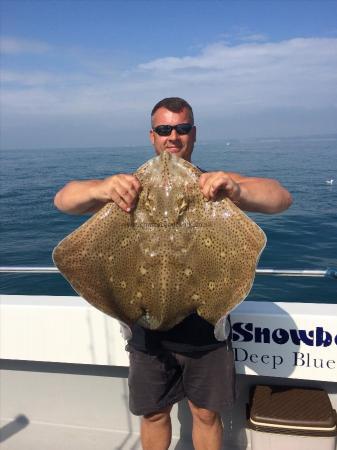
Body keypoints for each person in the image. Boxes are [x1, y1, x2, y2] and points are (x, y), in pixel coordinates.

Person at [54, 97, 292, 450]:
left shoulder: (213, 185)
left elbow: (280, 197)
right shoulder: (127, 188)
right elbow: (64, 198)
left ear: (193, 134)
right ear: (153, 136)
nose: (173, 137)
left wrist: (236, 190)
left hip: (206, 325)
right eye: (165, 129)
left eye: (181, 129)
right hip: (144, 328)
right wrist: (101, 189)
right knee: (153, 414)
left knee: (206, 415)